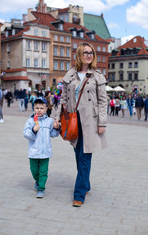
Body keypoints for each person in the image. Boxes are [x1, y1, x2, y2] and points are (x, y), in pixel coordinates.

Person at [54, 42, 107, 207]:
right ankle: (86, 184)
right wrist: (56, 118)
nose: (89, 55)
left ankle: (79, 194)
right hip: (73, 119)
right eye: (85, 52)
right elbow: (62, 99)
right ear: (79, 54)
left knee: (85, 157)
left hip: (91, 120)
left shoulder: (97, 76)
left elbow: (103, 101)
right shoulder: (70, 74)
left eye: (91, 53)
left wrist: (102, 123)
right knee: (78, 155)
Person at [23, 97, 60, 198]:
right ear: (34, 108)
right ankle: (37, 180)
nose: (39, 110)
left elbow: (53, 134)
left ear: (46, 108)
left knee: (43, 171)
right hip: (34, 151)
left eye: (41, 108)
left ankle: (41, 188)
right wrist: (33, 130)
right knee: (34, 170)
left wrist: (57, 128)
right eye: (37, 108)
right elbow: (26, 134)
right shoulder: (30, 121)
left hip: (45, 152)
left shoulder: (49, 121)